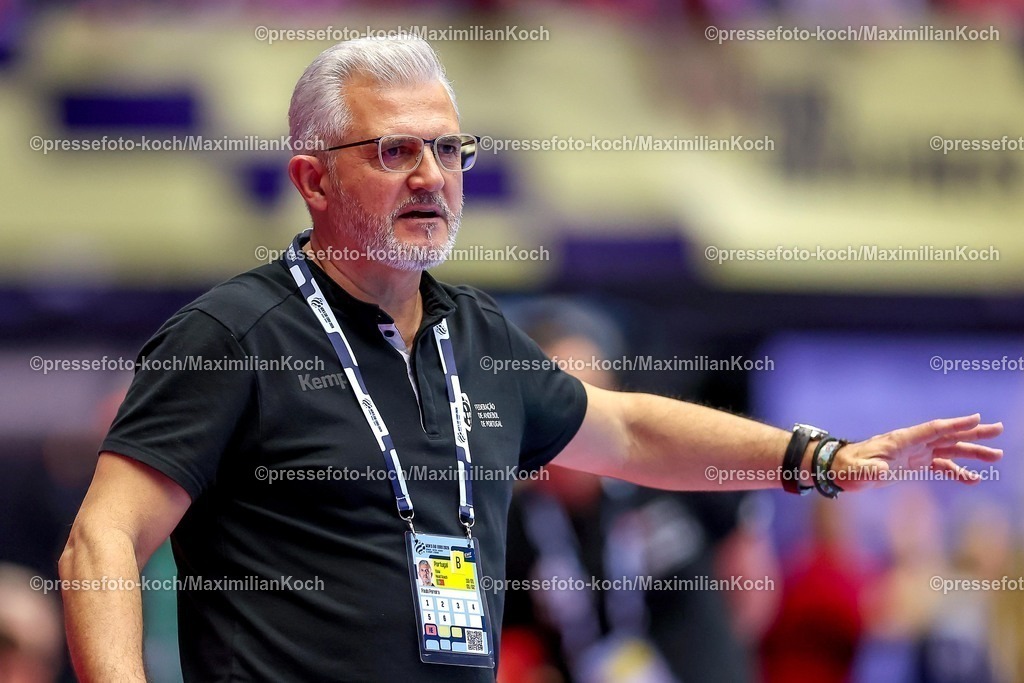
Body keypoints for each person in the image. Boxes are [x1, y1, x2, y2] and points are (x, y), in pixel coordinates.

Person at [58, 36, 1003, 683]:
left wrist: (819, 458)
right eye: (393, 151)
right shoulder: (233, 336)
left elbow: (628, 431)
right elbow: (100, 541)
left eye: (447, 149)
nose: (432, 175)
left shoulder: (480, 334)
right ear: (312, 178)